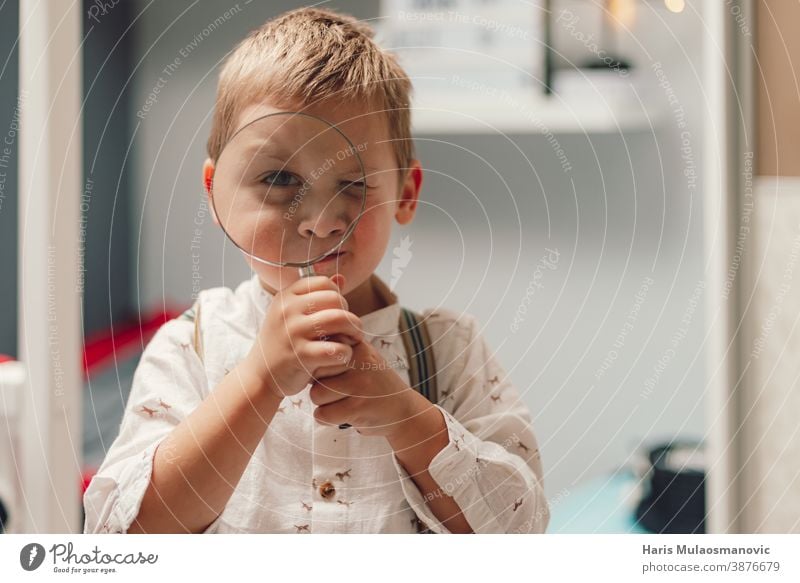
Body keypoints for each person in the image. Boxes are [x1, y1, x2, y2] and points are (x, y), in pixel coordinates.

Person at [83, 7, 549, 534]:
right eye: (279, 178)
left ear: (407, 193)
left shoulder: (448, 348)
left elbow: (520, 533)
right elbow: (123, 537)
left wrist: (405, 417)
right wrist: (258, 382)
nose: (321, 221)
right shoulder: (191, 346)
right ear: (215, 194)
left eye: (354, 184)